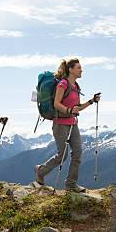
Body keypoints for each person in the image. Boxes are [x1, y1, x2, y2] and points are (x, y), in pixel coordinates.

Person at [34, 59, 101, 192]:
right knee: (62, 156)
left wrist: (91, 101)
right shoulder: (63, 84)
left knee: (77, 153)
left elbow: (77, 108)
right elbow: (56, 104)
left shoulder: (76, 86)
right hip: (60, 124)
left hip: (72, 123)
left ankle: (71, 184)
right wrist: (69, 110)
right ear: (70, 69)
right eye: (78, 68)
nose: (81, 70)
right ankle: (40, 171)